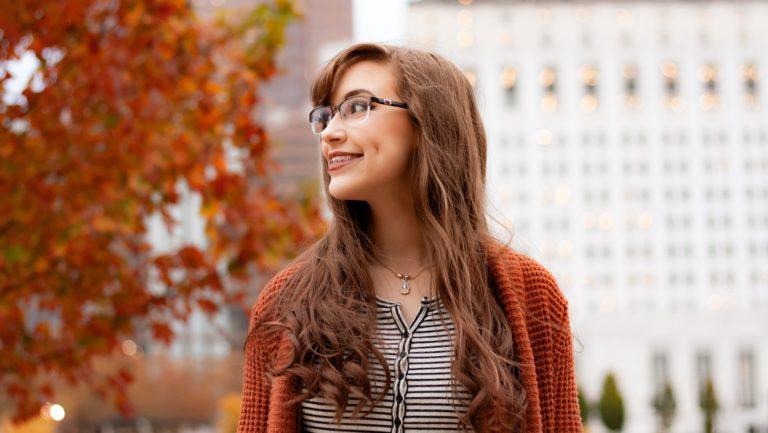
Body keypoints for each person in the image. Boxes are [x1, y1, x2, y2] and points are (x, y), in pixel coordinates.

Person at [236, 42, 582, 433]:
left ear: (427, 123)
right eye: (326, 116)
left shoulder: (530, 295)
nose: (330, 133)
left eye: (357, 107)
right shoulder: (285, 301)